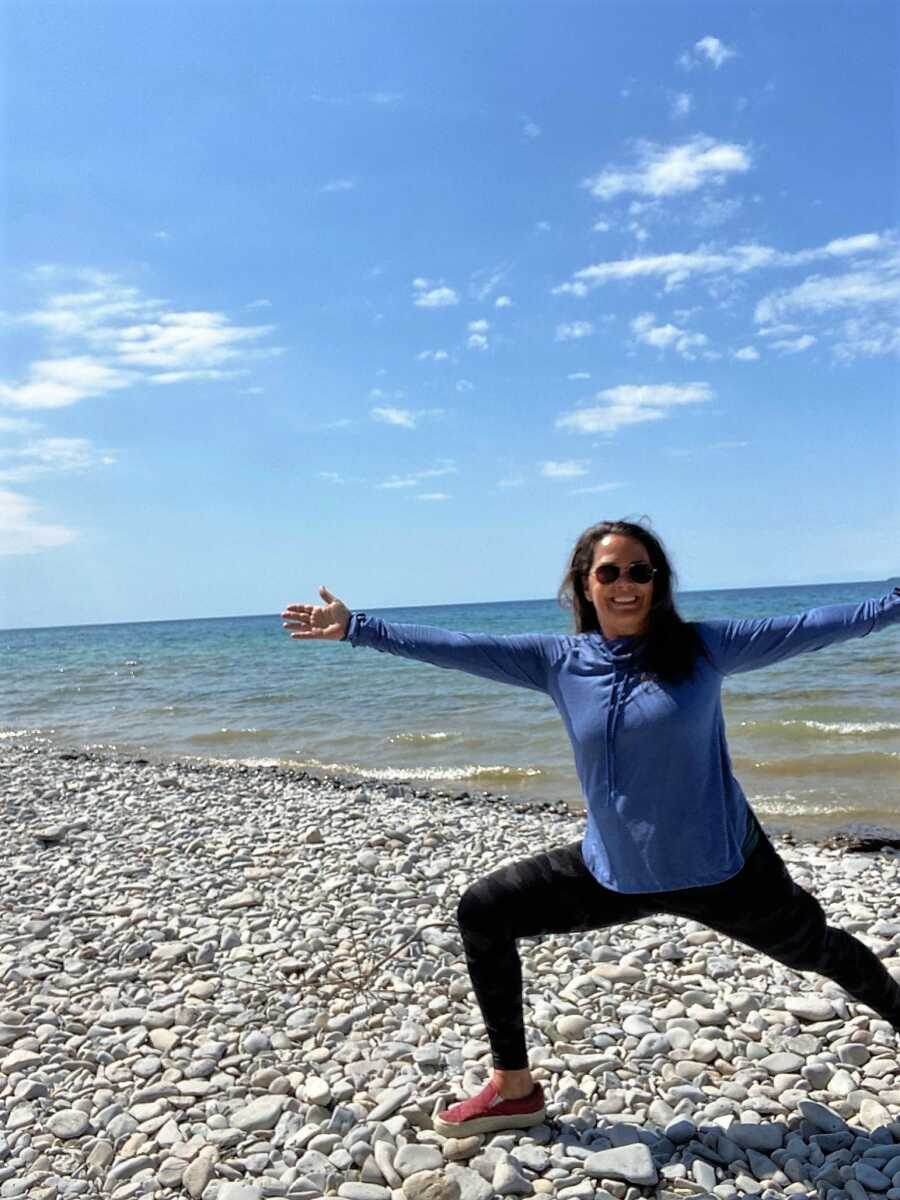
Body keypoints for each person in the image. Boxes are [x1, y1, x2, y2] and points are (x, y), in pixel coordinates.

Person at [282, 519, 900, 1139]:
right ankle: (514, 1090)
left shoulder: (706, 648)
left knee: (818, 951)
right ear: (585, 584)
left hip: (723, 869)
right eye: (609, 572)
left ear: (658, 584)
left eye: (640, 571)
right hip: (615, 872)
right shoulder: (559, 662)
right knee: (484, 911)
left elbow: (815, 626)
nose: (625, 584)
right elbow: (458, 646)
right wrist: (358, 628)